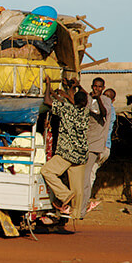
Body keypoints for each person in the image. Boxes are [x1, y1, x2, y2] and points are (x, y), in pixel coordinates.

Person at [41, 77, 89, 219]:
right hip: (81, 155)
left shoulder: (67, 110)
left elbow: (47, 102)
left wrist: (48, 86)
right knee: (78, 187)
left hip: (67, 152)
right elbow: (76, 101)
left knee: (47, 171)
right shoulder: (86, 113)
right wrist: (74, 88)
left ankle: (64, 195)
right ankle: (75, 213)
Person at [80, 78, 112, 218]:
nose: (97, 89)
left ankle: (82, 208)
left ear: (102, 88)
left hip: (96, 145)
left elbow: (103, 113)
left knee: (87, 177)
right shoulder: (88, 98)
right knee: (83, 177)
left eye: (100, 87)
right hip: (84, 144)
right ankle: (80, 205)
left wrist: (98, 98)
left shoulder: (105, 100)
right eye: (95, 86)